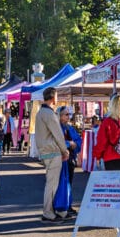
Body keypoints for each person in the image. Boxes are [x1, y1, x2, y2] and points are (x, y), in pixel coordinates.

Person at [32, 87, 70, 223]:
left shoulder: (40, 112)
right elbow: (58, 134)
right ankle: (48, 212)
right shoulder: (49, 114)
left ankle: (50, 211)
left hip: (45, 151)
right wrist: (64, 150)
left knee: (50, 182)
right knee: (52, 184)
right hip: (52, 152)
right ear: (54, 98)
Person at [93, 93, 120, 171]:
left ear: (111, 106)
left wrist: (98, 156)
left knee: (113, 183)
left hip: (111, 158)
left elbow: (101, 142)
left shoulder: (107, 122)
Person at [54, 105, 80, 218]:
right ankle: (61, 207)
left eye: (69, 114)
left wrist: (75, 144)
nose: (68, 117)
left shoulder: (69, 128)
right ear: (59, 116)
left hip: (70, 159)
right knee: (62, 183)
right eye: (66, 114)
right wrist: (70, 143)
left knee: (69, 182)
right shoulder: (56, 128)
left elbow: (78, 140)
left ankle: (67, 205)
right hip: (60, 159)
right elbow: (55, 142)